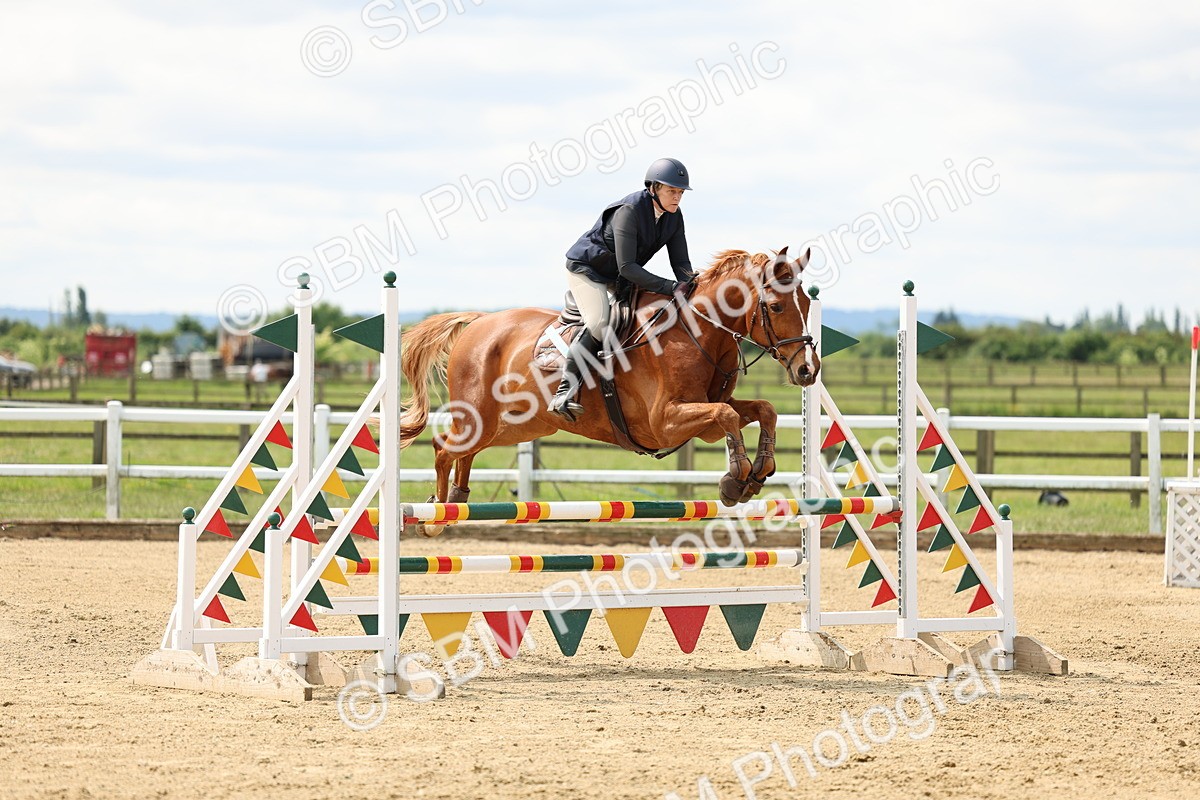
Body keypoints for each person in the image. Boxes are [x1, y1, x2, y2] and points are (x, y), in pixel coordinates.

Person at [550, 157, 697, 420]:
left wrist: (693, 286)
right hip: (589, 270)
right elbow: (629, 266)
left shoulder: (673, 217)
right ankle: (564, 392)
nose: (677, 197)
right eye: (671, 191)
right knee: (599, 322)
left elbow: (681, 263)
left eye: (680, 192)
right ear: (653, 188)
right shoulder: (629, 211)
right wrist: (672, 287)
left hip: (620, 275)